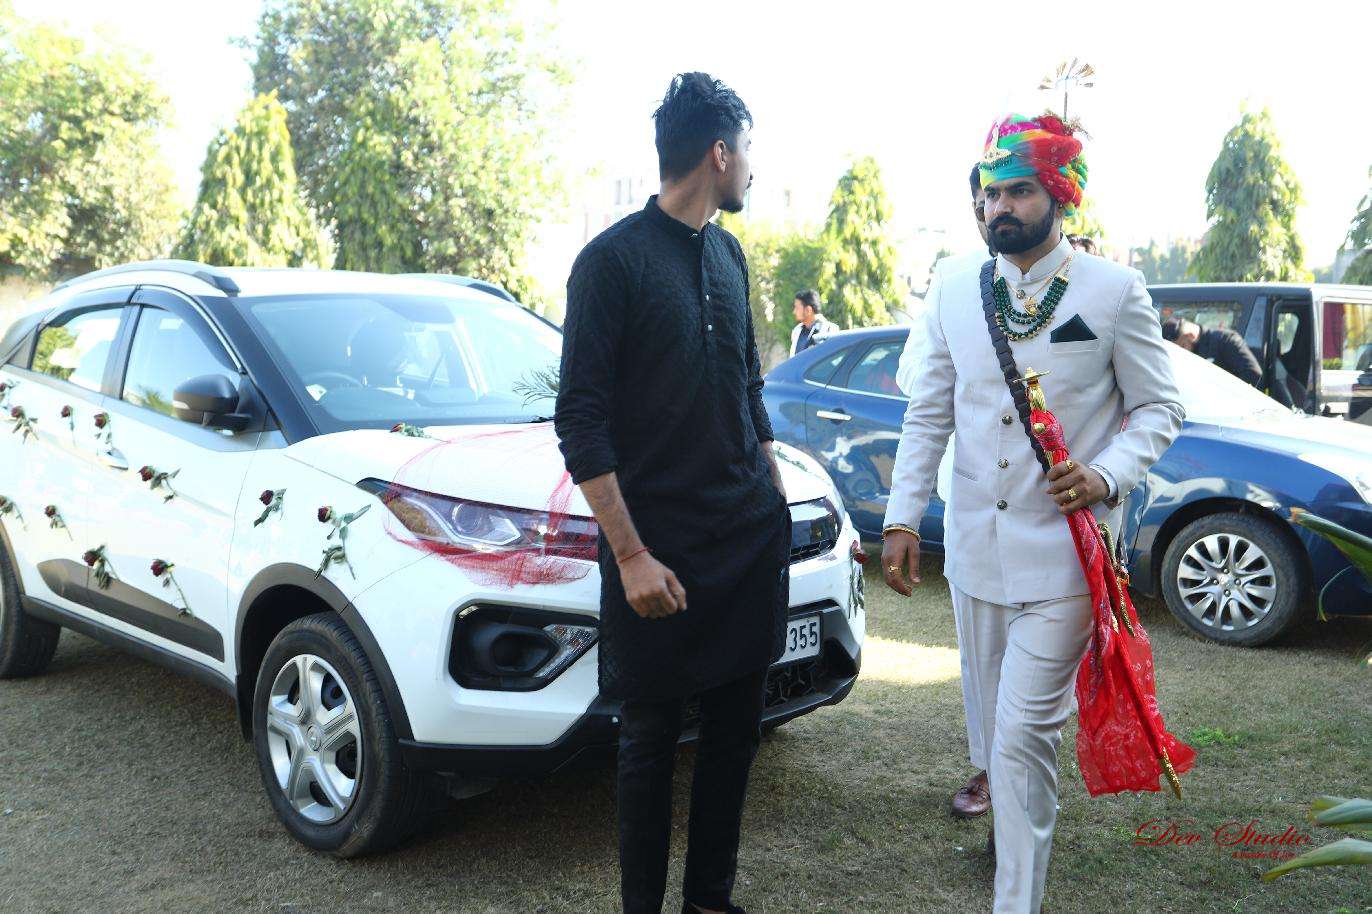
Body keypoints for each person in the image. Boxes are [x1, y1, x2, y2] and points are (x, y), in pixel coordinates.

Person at [881, 112, 1183, 914]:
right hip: (974, 554)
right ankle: (1012, 842)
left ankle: (1014, 902)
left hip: (1064, 559)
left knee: (1020, 739)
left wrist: (1106, 474)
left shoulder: (1113, 290)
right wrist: (904, 516)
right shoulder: (954, 289)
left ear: (1058, 195)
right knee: (993, 737)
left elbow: (1160, 407)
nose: (998, 208)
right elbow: (929, 410)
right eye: (990, 194)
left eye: (1017, 191)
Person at [554, 72, 787, 914]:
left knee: (734, 735)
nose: (752, 166)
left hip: (745, 539)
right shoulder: (610, 263)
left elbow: (748, 389)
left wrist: (775, 496)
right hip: (658, 551)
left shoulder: (729, 254)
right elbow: (580, 420)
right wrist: (630, 556)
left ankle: (709, 903)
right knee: (650, 741)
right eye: (747, 150)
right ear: (719, 153)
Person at [896, 164, 996, 396]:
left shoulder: (1074, 272)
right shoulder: (951, 274)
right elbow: (909, 371)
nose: (997, 214)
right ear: (974, 209)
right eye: (985, 207)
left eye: (1018, 193)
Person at [1162, 318, 1263, 386]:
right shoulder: (1186, 351)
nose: (1180, 353)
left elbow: (1253, 373)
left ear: (1191, 336)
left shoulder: (1225, 340)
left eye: (1182, 346)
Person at [789, 289, 835, 356]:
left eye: (797, 308)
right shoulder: (797, 331)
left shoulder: (829, 330)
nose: (794, 312)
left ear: (808, 310)